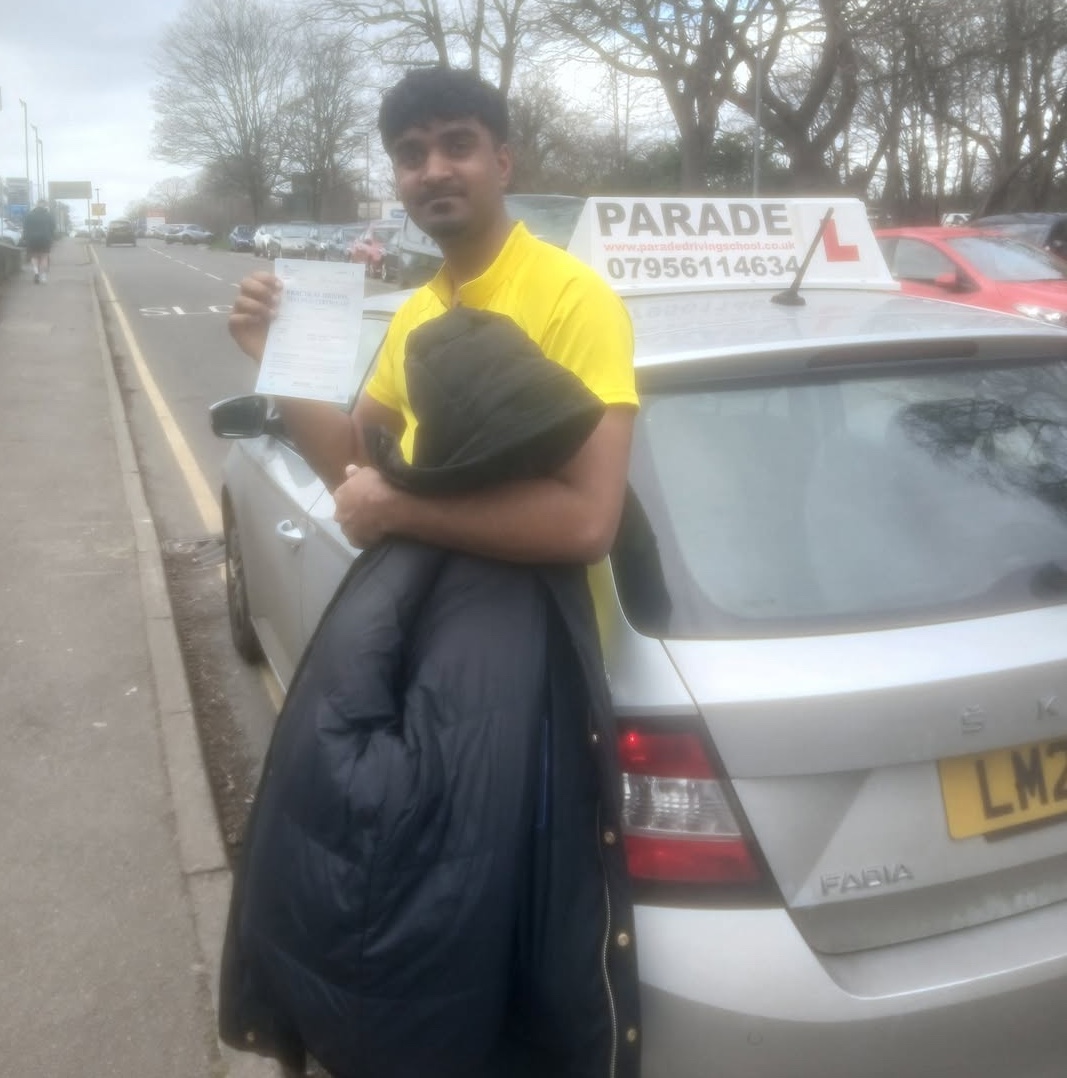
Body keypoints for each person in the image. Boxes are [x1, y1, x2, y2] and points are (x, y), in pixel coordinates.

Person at [225, 67, 642, 1078]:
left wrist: (403, 507)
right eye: (410, 154)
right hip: (447, 668)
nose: (432, 169)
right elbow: (358, 477)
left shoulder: (571, 298)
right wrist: (272, 363)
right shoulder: (417, 312)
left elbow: (587, 517)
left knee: (516, 973)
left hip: (541, 680)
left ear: (503, 159)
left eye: (456, 143)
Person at [21, 200, 56, 284]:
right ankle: (43, 276)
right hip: (45, 239)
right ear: (45, 206)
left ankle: (36, 273)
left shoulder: (29, 215)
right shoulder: (49, 216)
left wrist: (25, 237)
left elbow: (25, 227)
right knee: (44, 257)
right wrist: (50, 237)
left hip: (32, 239)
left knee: (34, 257)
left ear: (36, 205)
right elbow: (53, 227)